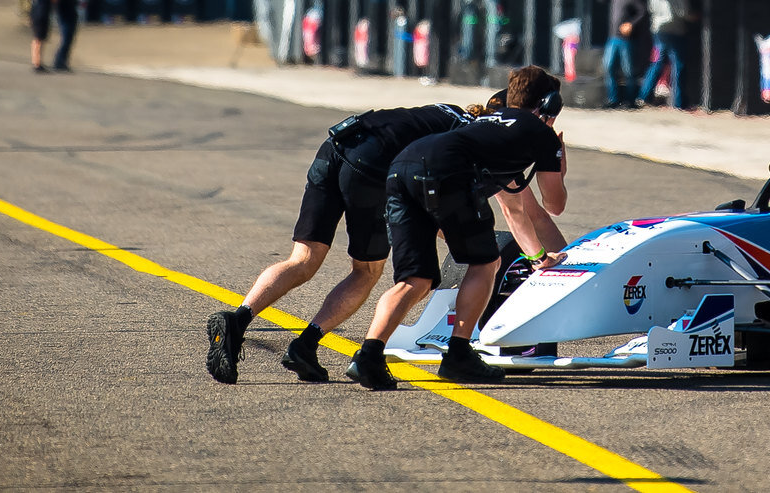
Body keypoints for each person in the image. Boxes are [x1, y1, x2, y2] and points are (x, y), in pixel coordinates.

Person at [205, 99, 479, 385]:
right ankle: (305, 344)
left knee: (302, 260)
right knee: (367, 270)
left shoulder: (440, 111)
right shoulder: (466, 136)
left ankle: (238, 320)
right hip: (370, 168)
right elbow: (431, 196)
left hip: (336, 144)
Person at [348, 67, 568, 389]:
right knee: (487, 263)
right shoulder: (540, 134)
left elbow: (516, 209)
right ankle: (459, 355)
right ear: (550, 104)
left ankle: (368, 355)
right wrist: (559, 166)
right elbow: (554, 204)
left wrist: (537, 256)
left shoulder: (488, 122)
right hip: (445, 175)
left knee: (416, 279)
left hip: (402, 169)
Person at [640, 0, 697, 109]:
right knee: (678, 65)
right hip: (674, 31)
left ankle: (644, 96)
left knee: (657, 63)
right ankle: (679, 103)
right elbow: (683, 12)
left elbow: (650, 7)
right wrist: (694, 16)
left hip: (658, 31)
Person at [603, 0, 647, 109]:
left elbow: (642, 12)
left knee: (628, 70)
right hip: (612, 38)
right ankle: (613, 99)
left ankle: (630, 100)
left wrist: (631, 24)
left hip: (626, 39)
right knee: (609, 67)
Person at [52, 0, 83, 71]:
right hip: (65, 18)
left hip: (71, 18)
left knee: (69, 41)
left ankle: (63, 61)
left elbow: (74, 2)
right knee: (65, 41)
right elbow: (58, 4)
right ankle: (59, 62)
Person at [28, 0, 55, 73]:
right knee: (38, 39)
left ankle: (37, 61)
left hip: (38, 13)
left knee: (39, 38)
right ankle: (37, 63)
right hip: (40, 14)